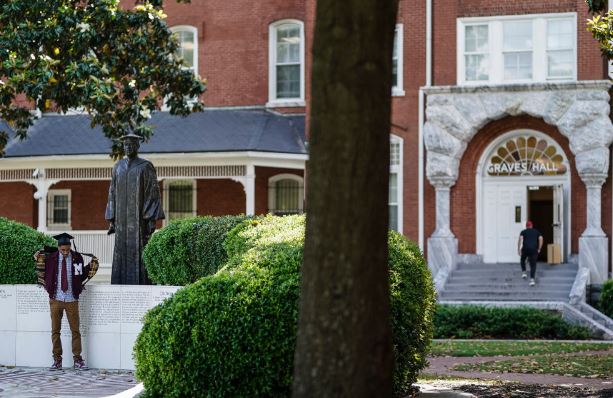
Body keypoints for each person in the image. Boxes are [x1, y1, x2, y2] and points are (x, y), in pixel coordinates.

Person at [105, 133, 165, 285]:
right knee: (120, 252)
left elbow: (153, 192)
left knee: (139, 253)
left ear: (137, 146)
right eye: (125, 145)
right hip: (121, 221)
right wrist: (112, 218)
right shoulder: (118, 167)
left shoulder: (145, 166)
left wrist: (151, 219)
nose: (128, 147)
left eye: (131, 145)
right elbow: (112, 192)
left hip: (139, 222)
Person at [38, 233, 90, 370]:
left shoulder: (77, 258)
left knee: (75, 331)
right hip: (56, 299)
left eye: (67, 249)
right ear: (58, 248)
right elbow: (41, 271)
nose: (65, 252)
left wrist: (91, 267)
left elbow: (81, 275)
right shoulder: (51, 258)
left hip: (72, 299)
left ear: (70, 247)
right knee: (55, 330)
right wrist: (48, 288)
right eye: (63, 250)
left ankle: (78, 360)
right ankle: (57, 360)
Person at [517, 220, 543, 287]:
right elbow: (541, 238)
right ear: (532, 226)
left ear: (526, 226)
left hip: (525, 249)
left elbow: (520, 239)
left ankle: (524, 272)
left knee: (522, 259)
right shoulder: (536, 232)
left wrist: (518, 249)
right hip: (534, 249)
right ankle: (532, 280)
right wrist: (539, 248)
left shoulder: (523, 232)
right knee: (533, 264)